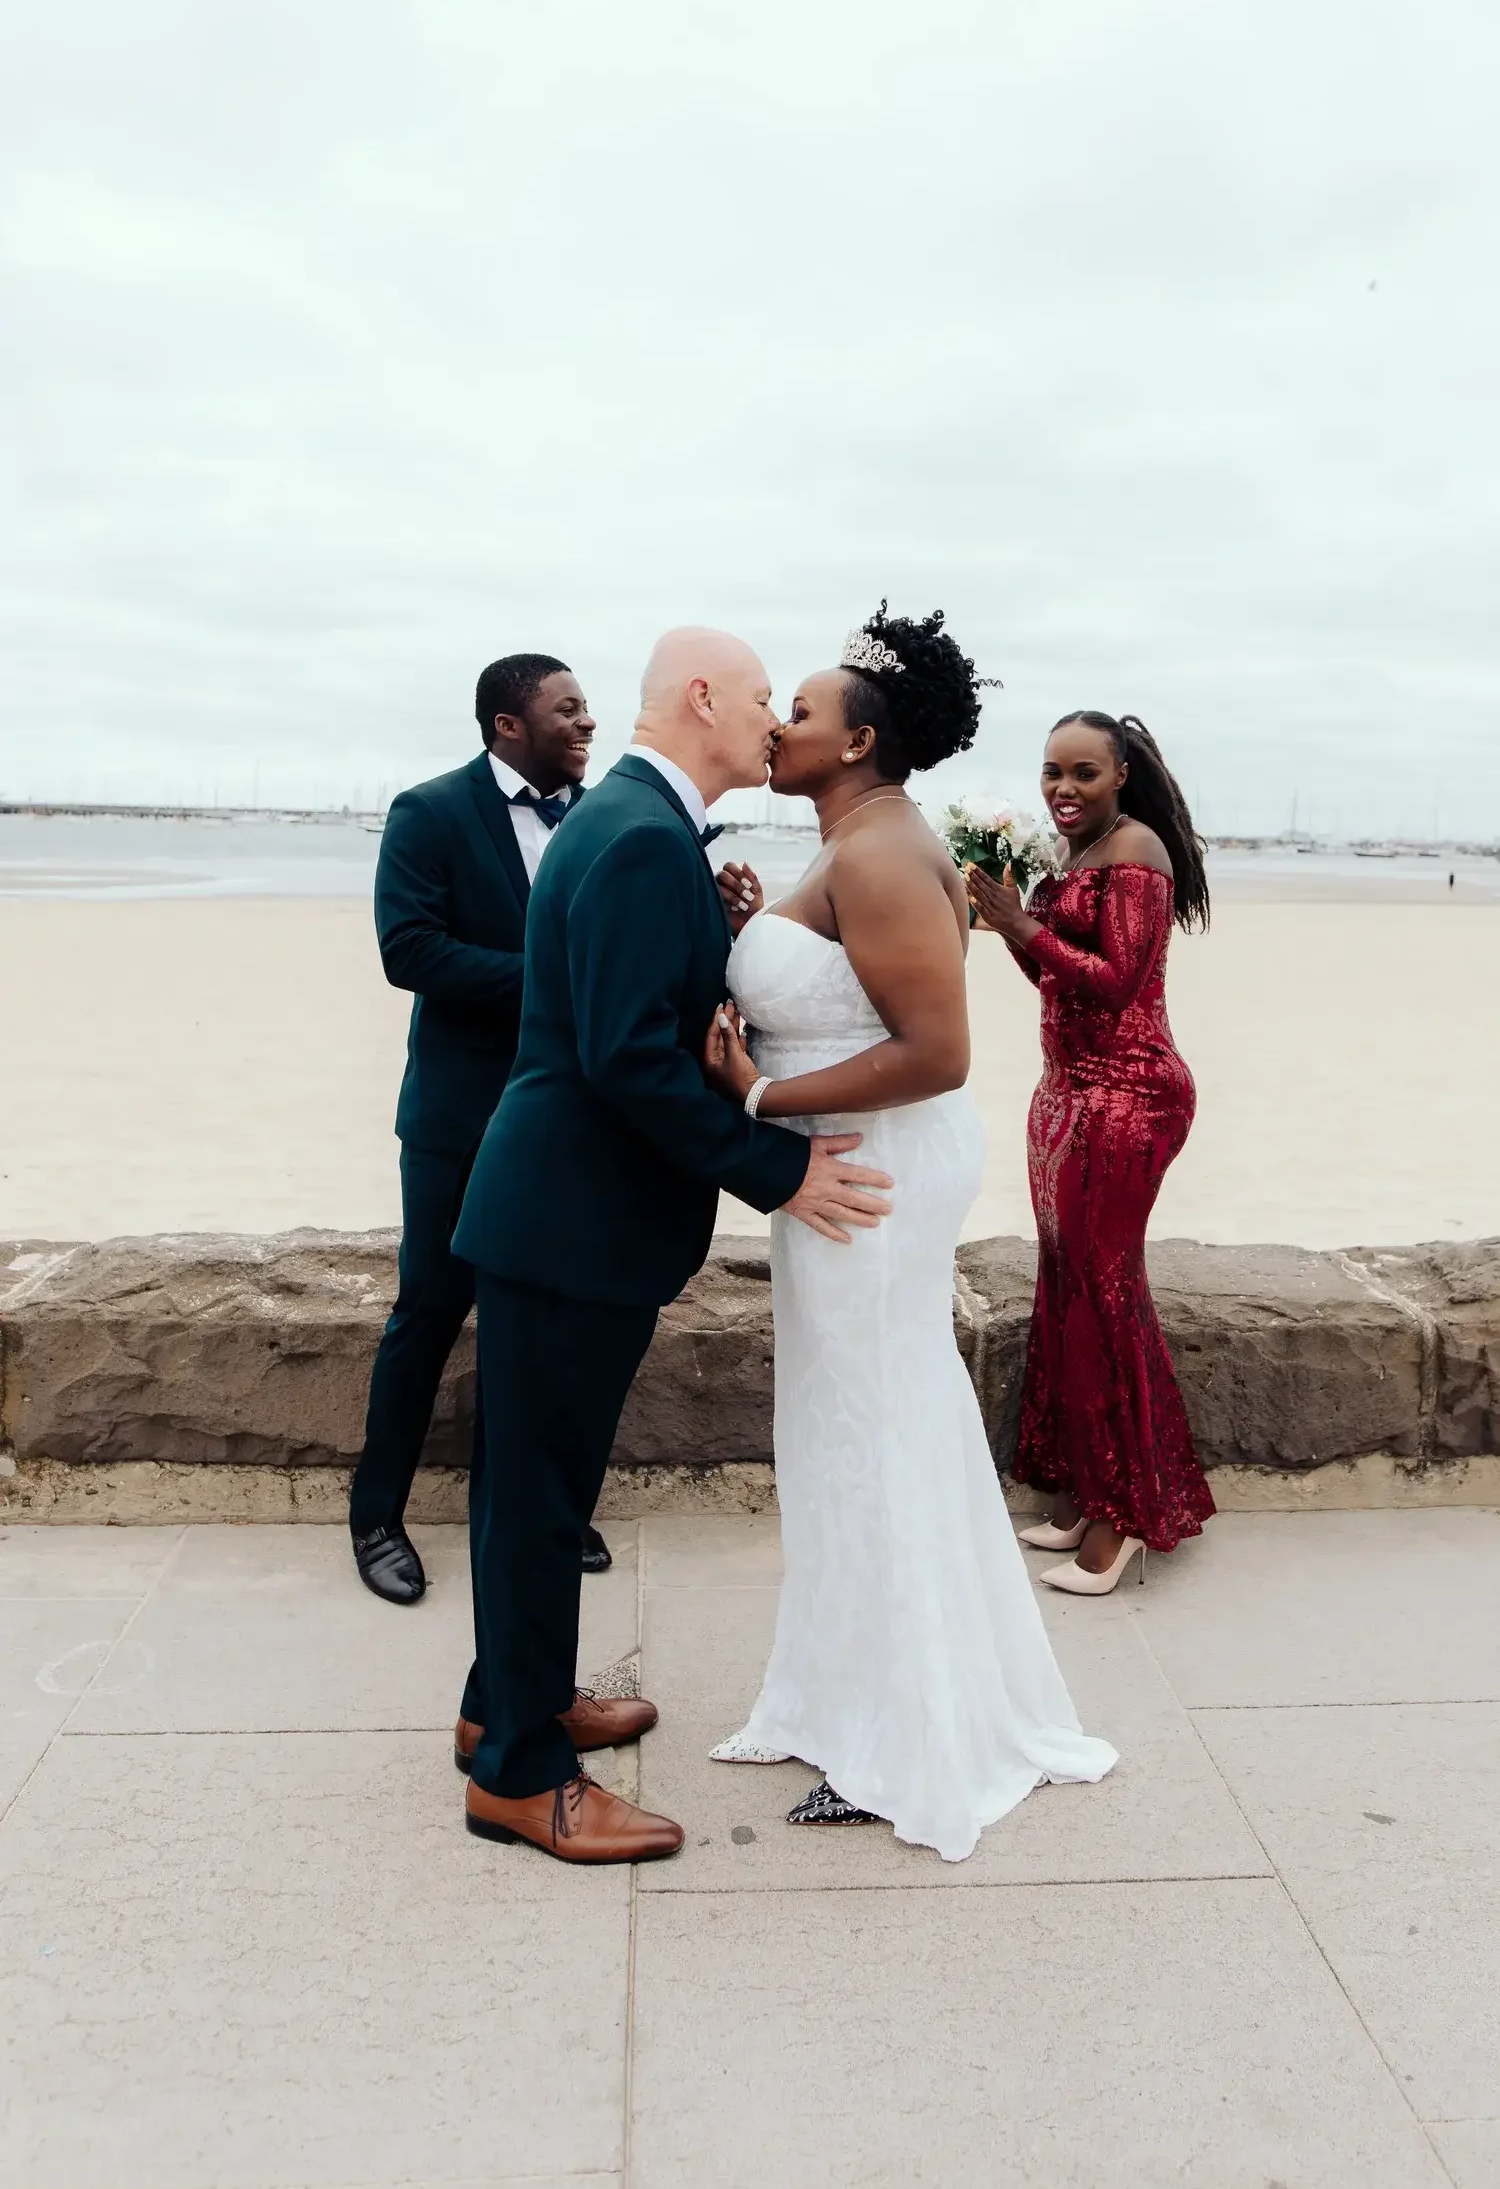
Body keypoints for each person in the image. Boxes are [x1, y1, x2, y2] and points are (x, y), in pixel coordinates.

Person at [448, 628, 895, 1864]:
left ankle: (508, 1701)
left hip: (561, 1216)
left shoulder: (630, 824)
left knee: (537, 1493)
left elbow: (631, 1012)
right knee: (537, 1503)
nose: (770, 721)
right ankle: (522, 1778)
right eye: (760, 698)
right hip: (569, 1223)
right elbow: (627, 1060)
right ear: (702, 697)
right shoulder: (643, 836)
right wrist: (781, 1172)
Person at [701, 605, 1118, 1862]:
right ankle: (848, 1696)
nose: (778, 725)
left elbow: (937, 1054)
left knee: (873, 1431)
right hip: (857, 1160)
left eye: (804, 714)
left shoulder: (881, 852)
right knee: (858, 1428)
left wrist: (761, 1099)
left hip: (869, 1169)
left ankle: (907, 1742)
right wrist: (749, 933)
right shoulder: (859, 836)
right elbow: (840, 987)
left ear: (860, 741)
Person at [349, 653, 611, 1605]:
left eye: (589, 708)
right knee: (429, 1312)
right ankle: (377, 1517)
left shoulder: (599, 818)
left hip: (570, 1121)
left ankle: (527, 1510)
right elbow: (407, 949)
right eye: (568, 709)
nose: (588, 723)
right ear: (508, 724)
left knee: (535, 1322)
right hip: (463, 1116)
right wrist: (552, 978)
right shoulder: (429, 811)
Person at [967, 710, 1215, 1594]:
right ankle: (1086, 1488)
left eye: (1082, 774)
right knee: (1067, 1286)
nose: (1062, 790)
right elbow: (1053, 974)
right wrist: (1009, 926)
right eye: (1050, 773)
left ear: (1120, 776)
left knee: (1106, 1293)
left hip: (1131, 1091)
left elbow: (1114, 985)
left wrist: (1017, 923)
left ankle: (1123, 1521)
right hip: (1065, 1088)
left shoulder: (1138, 851)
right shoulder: (1074, 858)